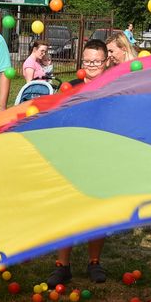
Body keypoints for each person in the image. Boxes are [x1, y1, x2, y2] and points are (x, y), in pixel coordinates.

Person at [48, 40, 111, 286]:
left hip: (101, 158)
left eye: (97, 61)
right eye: (87, 61)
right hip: (71, 158)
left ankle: (94, 262)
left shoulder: (114, 88)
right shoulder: (69, 88)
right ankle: (63, 265)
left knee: (97, 211)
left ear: (106, 62)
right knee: (67, 211)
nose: (92, 65)